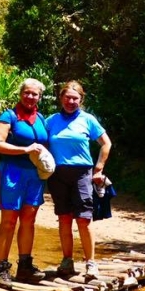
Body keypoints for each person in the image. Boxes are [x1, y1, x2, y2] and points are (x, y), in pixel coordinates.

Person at [46, 80, 112, 278]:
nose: (71, 101)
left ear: (81, 100)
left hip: (82, 173)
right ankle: (67, 261)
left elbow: (106, 143)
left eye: (75, 98)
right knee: (64, 218)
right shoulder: (50, 121)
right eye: (67, 97)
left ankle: (91, 263)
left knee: (83, 219)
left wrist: (99, 168)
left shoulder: (88, 119)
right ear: (61, 98)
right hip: (57, 175)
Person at [0, 77, 50, 287]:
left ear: (39, 97)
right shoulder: (9, 116)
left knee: (29, 219)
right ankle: (2, 269)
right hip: (11, 172)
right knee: (8, 221)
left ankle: (25, 266)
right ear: (20, 94)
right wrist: (24, 150)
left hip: (33, 175)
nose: (30, 97)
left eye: (34, 94)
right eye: (27, 93)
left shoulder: (41, 118)